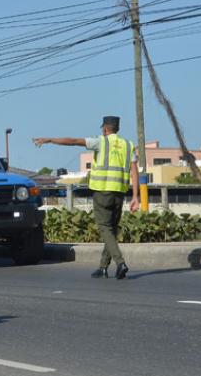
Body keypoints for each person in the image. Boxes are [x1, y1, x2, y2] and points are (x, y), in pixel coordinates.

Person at [33, 115, 140, 279]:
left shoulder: (101, 141)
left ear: (105, 128)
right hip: (120, 192)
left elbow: (73, 141)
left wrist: (49, 140)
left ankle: (120, 263)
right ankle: (103, 267)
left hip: (102, 191)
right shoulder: (128, 145)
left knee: (105, 227)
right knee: (111, 229)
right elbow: (134, 170)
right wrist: (135, 196)